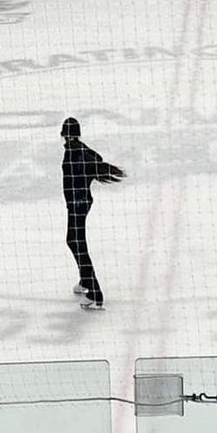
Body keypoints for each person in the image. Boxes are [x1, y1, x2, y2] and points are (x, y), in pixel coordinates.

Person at [61, 116, 125, 311]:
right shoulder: (79, 148)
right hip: (81, 202)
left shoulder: (74, 152)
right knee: (75, 241)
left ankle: (94, 292)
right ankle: (84, 280)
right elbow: (95, 158)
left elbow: (88, 165)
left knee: (75, 242)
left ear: (63, 134)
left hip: (77, 204)